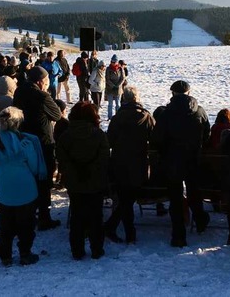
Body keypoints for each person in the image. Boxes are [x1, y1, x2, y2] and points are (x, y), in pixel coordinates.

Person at [151, 80, 211, 247]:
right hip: (193, 158)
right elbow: (207, 132)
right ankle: (200, 219)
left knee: (176, 199)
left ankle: (178, 235)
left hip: (172, 160)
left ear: (173, 93)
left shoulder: (166, 114)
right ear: (189, 92)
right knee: (194, 192)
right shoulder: (199, 111)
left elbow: (157, 138)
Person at [0, 106, 47, 266]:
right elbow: (35, 168)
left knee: (6, 224)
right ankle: (25, 253)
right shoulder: (26, 142)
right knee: (26, 224)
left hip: (5, 188)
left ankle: (5, 255)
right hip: (26, 189)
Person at [56, 101, 110, 260]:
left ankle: (77, 251)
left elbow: (61, 157)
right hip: (95, 181)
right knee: (96, 217)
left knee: (77, 216)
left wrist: (74, 170)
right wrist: (91, 169)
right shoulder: (98, 134)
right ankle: (97, 249)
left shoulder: (66, 135)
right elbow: (104, 157)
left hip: (75, 182)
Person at [13, 67, 62, 230]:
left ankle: (29, 213)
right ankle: (44, 216)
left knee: (29, 177)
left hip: (24, 139)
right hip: (42, 141)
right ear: (41, 81)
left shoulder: (19, 92)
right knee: (44, 178)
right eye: (46, 80)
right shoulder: (42, 96)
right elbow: (57, 115)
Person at [104, 86, 155, 244]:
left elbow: (109, 141)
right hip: (138, 162)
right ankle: (124, 232)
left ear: (123, 99)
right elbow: (155, 139)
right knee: (129, 197)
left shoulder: (118, 118)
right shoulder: (146, 117)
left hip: (119, 162)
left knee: (125, 198)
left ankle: (117, 229)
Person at [105, 55, 125, 120]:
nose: (113, 63)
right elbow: (107, 79)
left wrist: (118, 86)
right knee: (110, 104)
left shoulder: (120, 69)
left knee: (118, 104)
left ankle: (118, 116)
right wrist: (113, 86)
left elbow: (123, 78)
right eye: (112, 61)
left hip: (118, 89)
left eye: (114, 62)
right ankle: (110, 117)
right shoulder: (108, 69)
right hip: (110, 88)